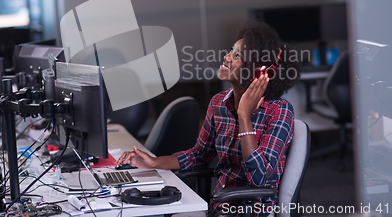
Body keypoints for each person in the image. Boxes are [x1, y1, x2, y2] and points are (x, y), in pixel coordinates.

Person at [118, 20, 301, 216]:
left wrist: (244, 115)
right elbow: (199, 155)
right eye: (231, 50)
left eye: (237, 56)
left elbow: (259, 177)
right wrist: (154, 162)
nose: (226, 57)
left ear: (257, 73)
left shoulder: (280, 112)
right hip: (219, 208)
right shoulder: (218, 103)